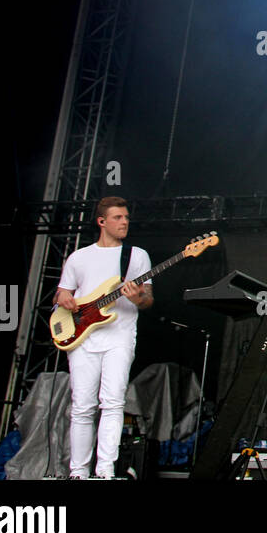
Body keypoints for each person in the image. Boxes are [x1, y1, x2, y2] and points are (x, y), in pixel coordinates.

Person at [54, 196, 153, 478]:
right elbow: (62, 293)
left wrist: (137, 298)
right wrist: (64, 298)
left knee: (113, 403)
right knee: (82, 407)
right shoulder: (79, 257)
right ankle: (78, 471)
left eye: (126, 217)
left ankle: (105, 470)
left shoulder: (136, 255)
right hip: (82, 337)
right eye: (118, 218)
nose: (124, 222)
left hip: (119, 336)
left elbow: (148, 301)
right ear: (102, 222)